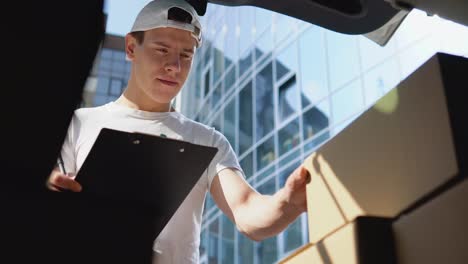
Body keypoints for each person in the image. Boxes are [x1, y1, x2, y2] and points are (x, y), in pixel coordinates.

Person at [47, 0, 310, 262]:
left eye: (186, 55)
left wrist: (289, 203)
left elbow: (247, 212)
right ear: (131, 48)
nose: (175, 66)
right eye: (162, 50)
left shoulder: (208, 141)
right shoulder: (78, 124)